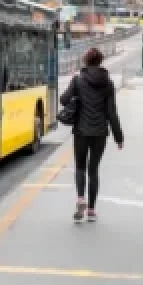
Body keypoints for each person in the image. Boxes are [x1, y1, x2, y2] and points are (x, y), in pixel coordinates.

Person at [60, 46, 124, 223]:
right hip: (100, 133)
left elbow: (64, 100)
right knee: (93, 170)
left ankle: (80, 198)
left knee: (80, 167)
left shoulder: (78, 80)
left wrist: (72, 85)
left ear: (86, 61)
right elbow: (111, 113)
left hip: (81, 131)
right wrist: (119, 137)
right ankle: (91, 210)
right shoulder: (108, 83)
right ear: (100, 61)